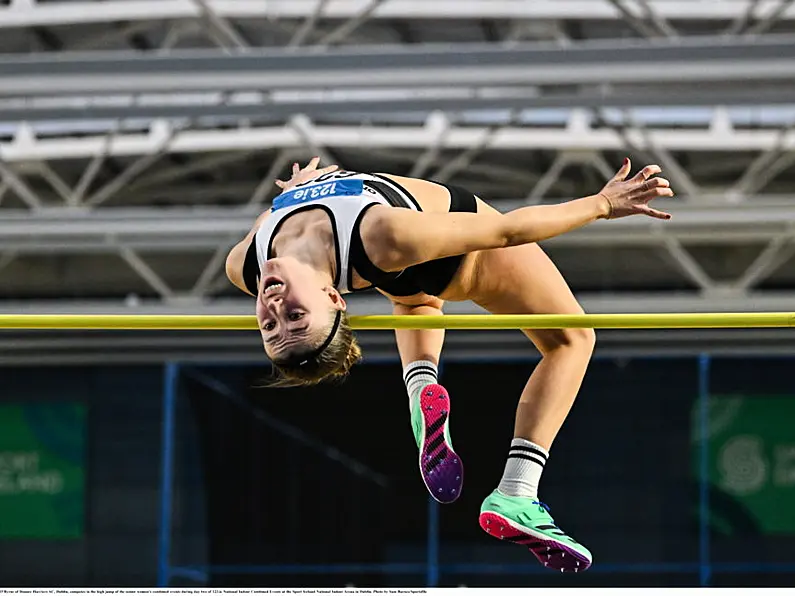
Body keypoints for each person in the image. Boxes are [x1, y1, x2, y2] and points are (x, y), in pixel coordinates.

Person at [225, 157, 674, 573]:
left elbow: (288, 217)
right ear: (333, 298)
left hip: (397, 262)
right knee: (572, 340)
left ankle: (421, 388)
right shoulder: (382, 235)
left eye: (270, 326)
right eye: (296, 318)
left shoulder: (243, 264)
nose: (275, 306)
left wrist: (292, 192)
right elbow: (506, 232)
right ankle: (517, 491)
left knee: (415, 299)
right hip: (454, 254)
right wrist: (601, 204)